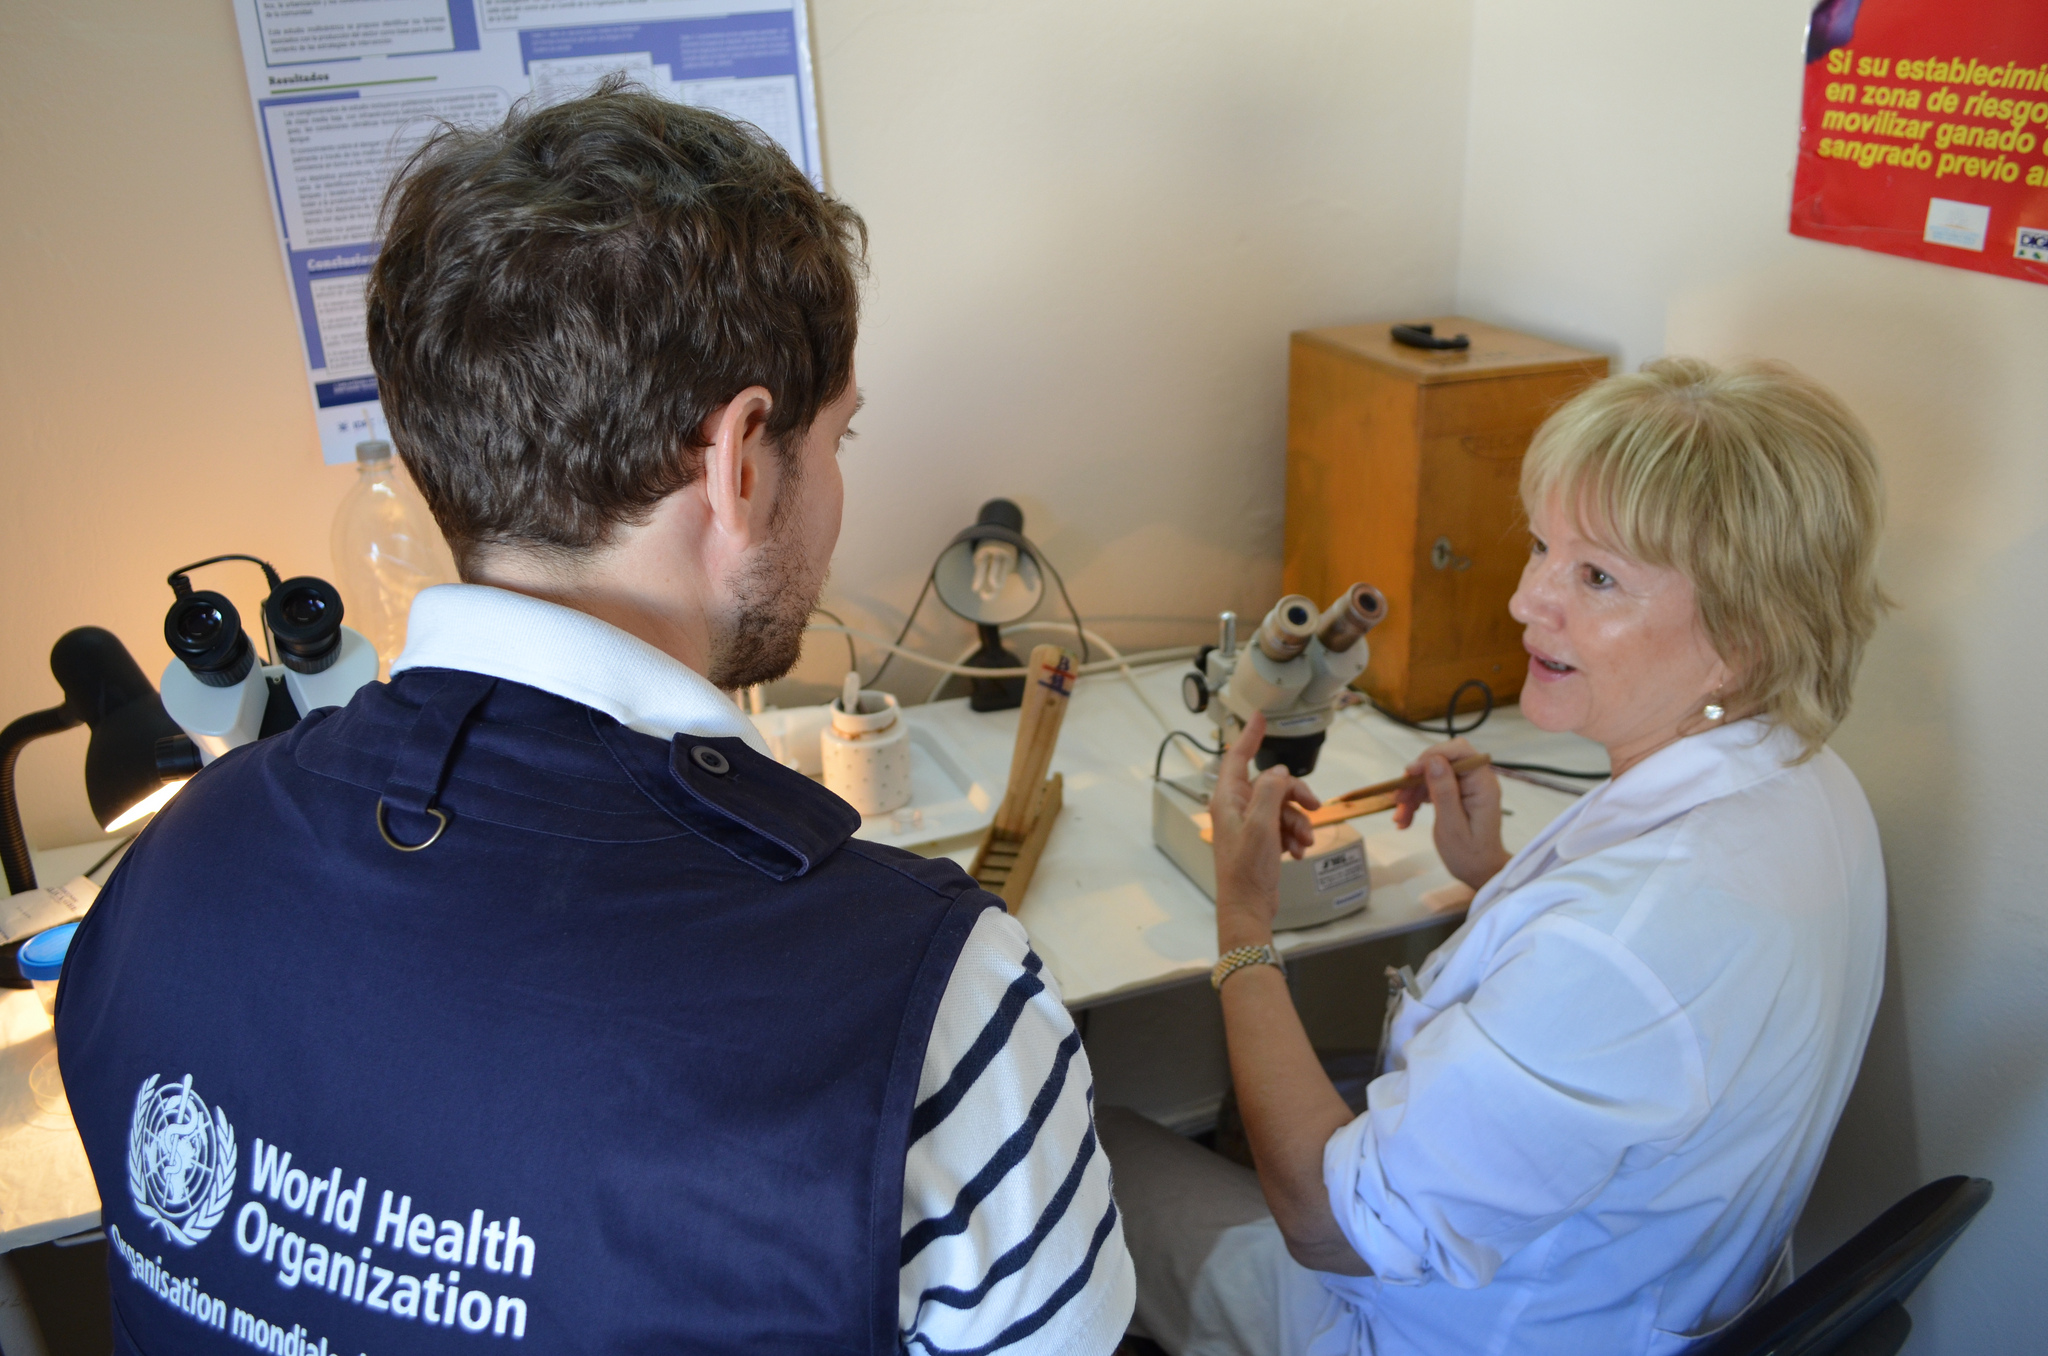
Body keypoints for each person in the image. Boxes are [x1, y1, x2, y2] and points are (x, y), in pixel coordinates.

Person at [57, 85, 1132, 1355]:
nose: (836, 494)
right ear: (737, 462)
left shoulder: (170, 868)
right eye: (837, 439)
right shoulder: (933, 1001)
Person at [1101, 358, 1891, 1355]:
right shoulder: (1808, 783)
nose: (1526, 603)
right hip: (1636, 1289)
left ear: (1740, 633)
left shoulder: (1624, 940)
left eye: (1594, 576)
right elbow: (1642, 1032)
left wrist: (1242, 923)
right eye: (1539, 549)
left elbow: (1323, 1223)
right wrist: (1500, 875)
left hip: (1424, 1324)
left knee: (1093, 1142)